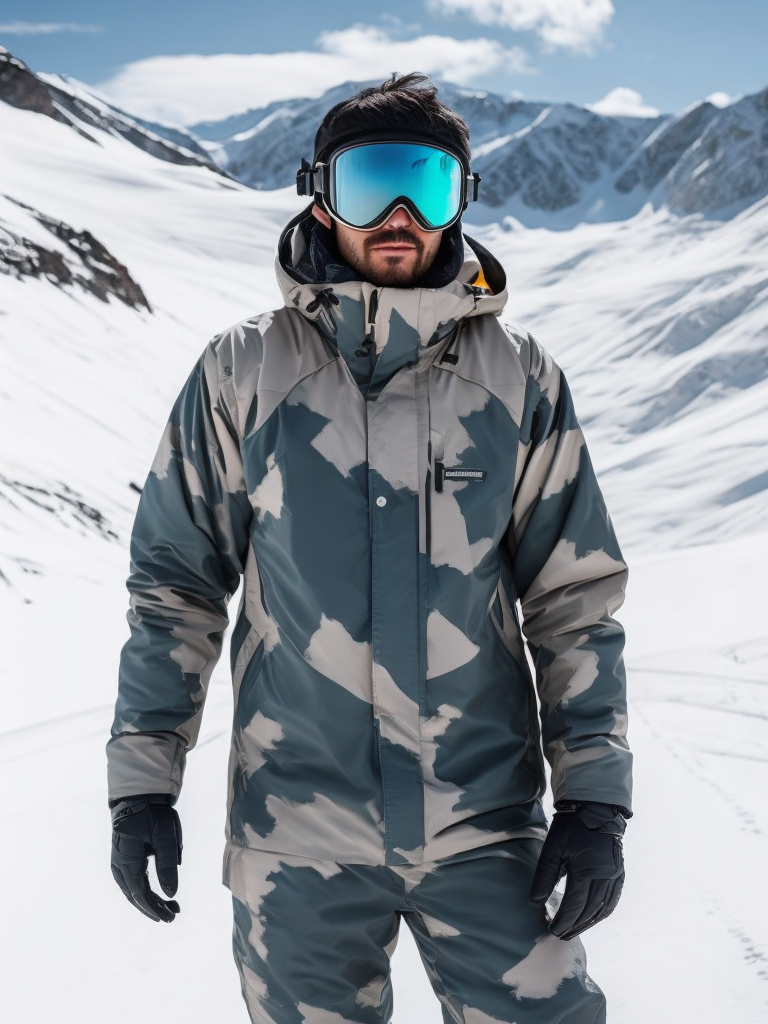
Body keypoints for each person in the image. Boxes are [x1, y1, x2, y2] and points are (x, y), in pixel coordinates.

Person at [107, 72, 632, 1024]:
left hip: (486, 827)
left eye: (426, 186)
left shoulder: (518, 379)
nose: (399, 215)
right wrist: (143, 785)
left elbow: (572, 598)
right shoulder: (243, 372)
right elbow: (176, 586)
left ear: (460, 200)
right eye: (368, 184)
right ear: (319, 193)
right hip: (295, 837)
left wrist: (595, 802)